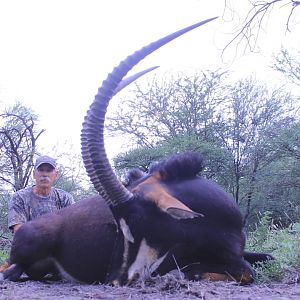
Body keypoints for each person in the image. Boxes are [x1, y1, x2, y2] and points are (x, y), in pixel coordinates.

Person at [8, 155, 75, 233]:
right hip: (30, 243)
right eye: (41, 170)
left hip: (59, 243)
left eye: (49, 170)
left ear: (56, 175)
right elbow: (18, 229)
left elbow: (73, 224)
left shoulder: (65, 198)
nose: (45, 174)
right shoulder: (19, 197)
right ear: (34, 174)